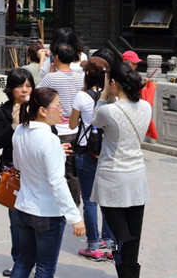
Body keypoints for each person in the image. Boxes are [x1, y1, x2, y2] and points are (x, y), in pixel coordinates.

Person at [10, 87, 85, 278]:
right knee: (45, 268)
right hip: (47, 213)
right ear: (43, 110)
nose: (61, 110)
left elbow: (18, 165)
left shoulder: (20, 131)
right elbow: (57, 182)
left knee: (24, 261)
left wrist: (56, 151)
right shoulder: (49, 139)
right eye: (58, 106)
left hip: (24, 207)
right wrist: (75, 217)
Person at [91, 63, 152, 278]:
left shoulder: (108, 110)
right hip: (136, 175)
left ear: (114, 83)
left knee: (121, 235)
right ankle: (130, 272)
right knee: (133, 234)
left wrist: (104, 94)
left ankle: (126, 273)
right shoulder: (146, 106)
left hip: (112, 176)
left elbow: (94, 121)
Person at [69, 57, 114, 261]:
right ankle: (108, 239)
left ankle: (93, 244)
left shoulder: (82, 97)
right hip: (106, 152)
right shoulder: (113, 97)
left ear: (87, 74)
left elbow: (71, 125)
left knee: (89, 200)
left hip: (85, 151)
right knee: (106, 199)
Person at [0, 67, 35, 277]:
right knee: (16, 220)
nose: (25, 90)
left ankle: (33, 260)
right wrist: (14, 125)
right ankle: (19, 262)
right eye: (20, 86)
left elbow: (51, 132)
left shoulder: (38, 108)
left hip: (35, 170)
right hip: (12, 173)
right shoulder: (2, 112)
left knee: (36, 217)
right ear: (11, 88)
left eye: (28, 85)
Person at [39, 41, 85, 204]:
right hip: (77, 129)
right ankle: (74, 203)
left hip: (59, 130)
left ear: (56, 57)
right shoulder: (81, 77)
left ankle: (57, 203)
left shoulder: (51, 78)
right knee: (72, 172)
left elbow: (37, 95)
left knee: (55, 169)